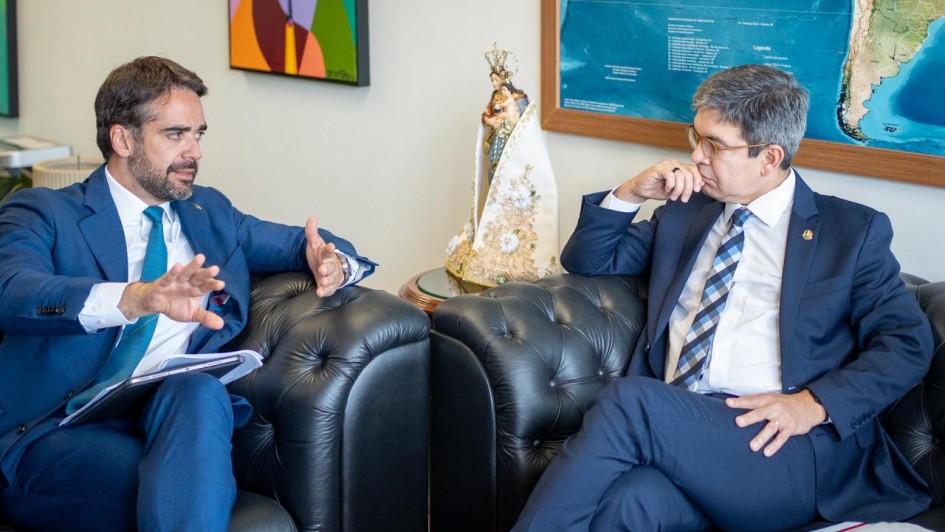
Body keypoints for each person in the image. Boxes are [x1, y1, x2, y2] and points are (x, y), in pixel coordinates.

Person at [512, 64, 933, 531]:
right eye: (696, 137)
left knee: (630, 402)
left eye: (714, 145)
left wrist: (814, 404)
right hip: (686, 427)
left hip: (781, 448)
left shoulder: (850, 232)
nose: (696, 155)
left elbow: (907, 342)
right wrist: (631, 193)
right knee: (632, 503)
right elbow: (588, 260)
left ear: (769, 158)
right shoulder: (686, 212)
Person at [0, 56, 376, 531]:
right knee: (174, 493)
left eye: (199, 134)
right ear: (122, 139)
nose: (193, 152)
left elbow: (312, 243)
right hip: (56, 427)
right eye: (175, 134)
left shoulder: (211, 213)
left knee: (199, 387)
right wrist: (136, 298)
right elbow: (11, 291)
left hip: (168, 412)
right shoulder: (44, 211)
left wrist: (336, 262)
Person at [445, 43, 559, 289]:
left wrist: (501, 119)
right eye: (492, 79)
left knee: (507, 187)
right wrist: (491, 120)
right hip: (496, 143)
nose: (494, 83)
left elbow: (517, 119)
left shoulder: (516, 98)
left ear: (504, 77)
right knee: (492, 179)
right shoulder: (495, 97)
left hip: (511, 149)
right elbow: (487, 116)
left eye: (496, 78)